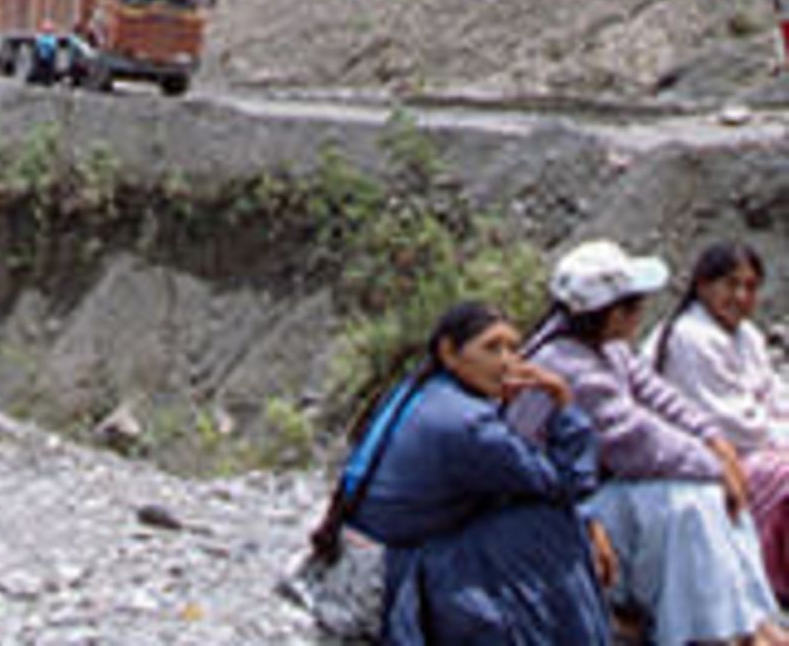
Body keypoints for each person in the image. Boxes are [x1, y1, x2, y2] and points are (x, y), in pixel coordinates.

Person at [309, 300, 615, 644]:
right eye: (491, 348)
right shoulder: (466, 424)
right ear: (449, 352)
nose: (506, 361)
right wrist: (562, 400)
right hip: (394, 575)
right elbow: (567, 482)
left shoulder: (421, 390)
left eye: (513, 348)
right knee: (549, 523)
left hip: (366, 556)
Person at [528, 239, 785, 646]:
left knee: (707, 496)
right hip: (566, 506)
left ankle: (749, 620)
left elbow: (661, 400)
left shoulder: (608, 348)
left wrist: (714, 440)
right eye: (632, 307)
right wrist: (716, 466)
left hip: (605, 487)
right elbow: (633, 440)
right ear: (609, 313)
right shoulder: (569, 366)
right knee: (689, 503)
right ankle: (711, 628)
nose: (639, 316)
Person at [648, 242, 789, 597]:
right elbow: (730, 422)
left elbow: (772, 394)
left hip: (750, 441)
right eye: (731, 284)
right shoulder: (692, 338)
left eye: (751, 286)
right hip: (709, 449)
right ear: (703, 286)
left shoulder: (747, 336)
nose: (741, 296)